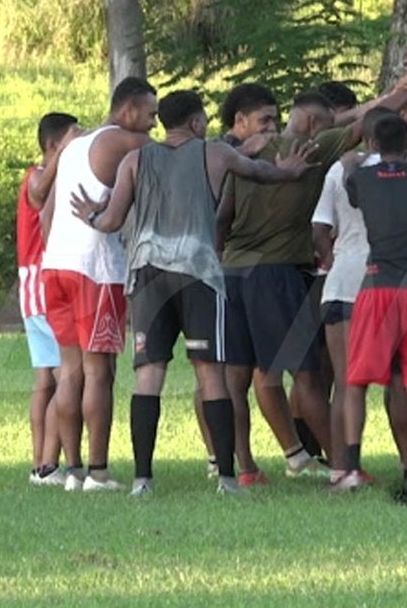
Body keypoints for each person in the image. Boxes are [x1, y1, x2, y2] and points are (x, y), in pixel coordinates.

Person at [69, 90, 316, 496]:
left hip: (148, 275)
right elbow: (262, 173)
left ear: (164, 122)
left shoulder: (135, 159)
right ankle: (225, 479)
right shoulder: (213, 154)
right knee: (210, 373)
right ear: (198, 123)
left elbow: (112, 221)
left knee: (148, 375)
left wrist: (91, 215)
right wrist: (292, 170)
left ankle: (142, 480)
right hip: (198, 273)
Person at [217, 82, 407, 486]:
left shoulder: (244, 156)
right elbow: (367, 123)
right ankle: (343, 466)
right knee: (307, 375)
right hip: (275, 274)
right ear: (312, 123)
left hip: (232, 272)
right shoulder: (314, 147)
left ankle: (243, 468)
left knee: (233, 379)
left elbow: (222, 217)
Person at [334, 55, 407, 495]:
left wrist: (357, 155)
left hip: (377, 284)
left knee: (356, 381)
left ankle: (348, 468)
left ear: (372, 141)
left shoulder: (360, 172)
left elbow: (353, 164)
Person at [41, 76, 157, 492]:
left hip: (56, 265)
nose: (153, 125)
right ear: (128, 111)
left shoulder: (74, 147)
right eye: (150, 115)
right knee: (99, 372)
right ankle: (98, 470)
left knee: (69, 371)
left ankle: (71, 471)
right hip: (97, 268)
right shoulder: (126, 142)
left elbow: (44, 212)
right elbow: (175, 154)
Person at [20, 112, 80, 486]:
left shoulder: (49, 178)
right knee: (64, 378)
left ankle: (41, 464)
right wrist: (66, 154)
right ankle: (49, 464)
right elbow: (38, 193)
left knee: (45, 379)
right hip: (44, 285)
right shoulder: (36, 177)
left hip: (32, 287)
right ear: (53, 146)